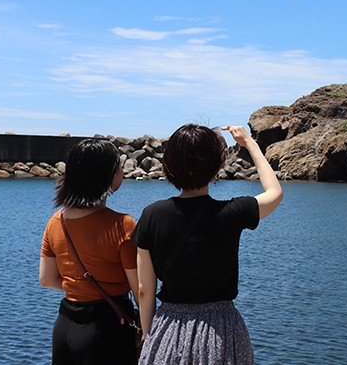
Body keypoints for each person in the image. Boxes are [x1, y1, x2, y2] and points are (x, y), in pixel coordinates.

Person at [133, 124, 283, 365]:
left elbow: (144, 290)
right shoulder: (232, 212)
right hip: (221, 331)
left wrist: (152, 338)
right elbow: (274, 191)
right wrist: (250, 143)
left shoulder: (152, 215)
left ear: (169, 166)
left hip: (170, 327)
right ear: (216, 169)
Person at [40, 139, 139, 365]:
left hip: (65, 325)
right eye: (119, 166)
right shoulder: (122, 225)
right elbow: (140, 290)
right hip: (107, 328)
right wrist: (146, 332)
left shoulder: (56, 222)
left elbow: (46, 279)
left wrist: (79, 288)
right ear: (108, 175)